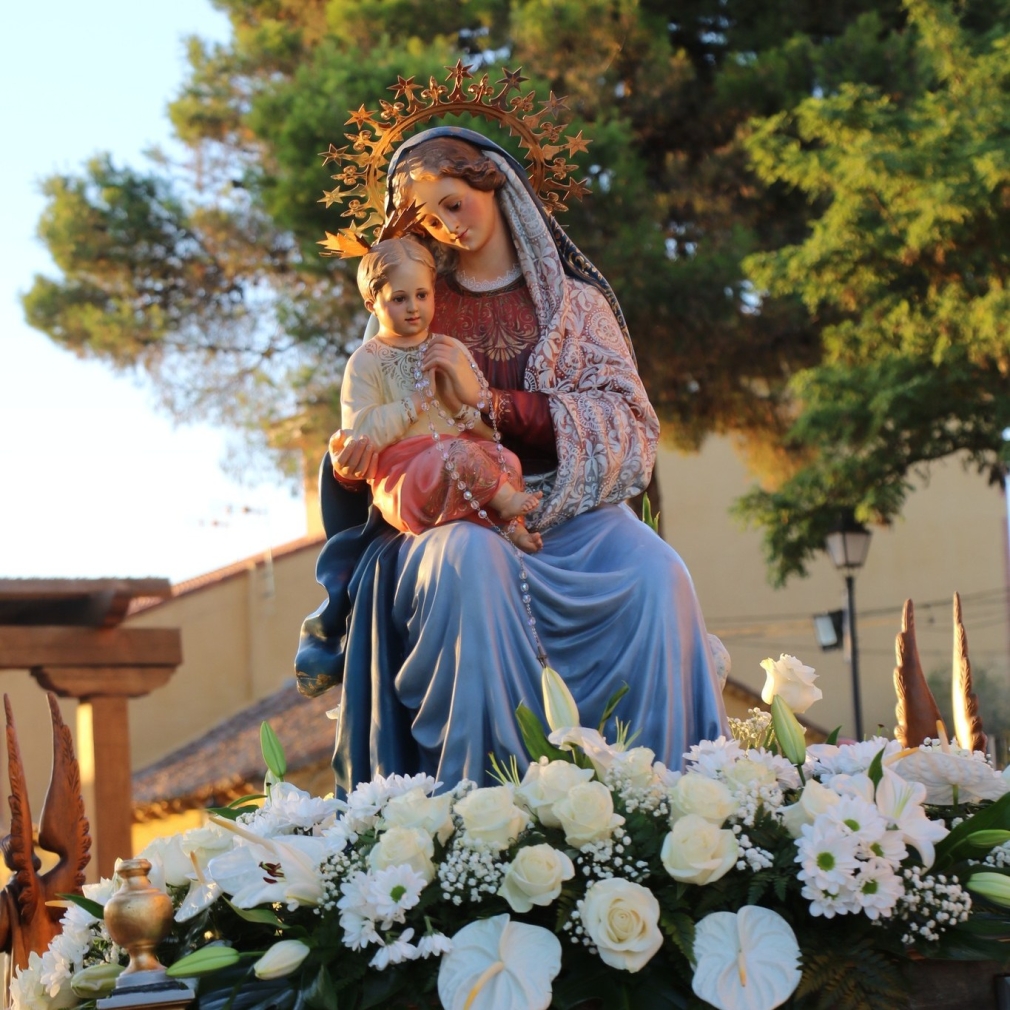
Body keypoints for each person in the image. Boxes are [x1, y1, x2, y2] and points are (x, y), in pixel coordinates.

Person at [296, 126, 727, 794]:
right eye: (427, 217)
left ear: (492, 182)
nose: (446, 226)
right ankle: (491, 815)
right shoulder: (411, 314)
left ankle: (662, 804)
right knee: (472, 564)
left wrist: (492, 402)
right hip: (455, 518)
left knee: (657, 573)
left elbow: (631, 427)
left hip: (574, 509)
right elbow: (372, 431)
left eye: (454, 202)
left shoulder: (573, 306)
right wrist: (361, 449)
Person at [343, 236, 542, 553]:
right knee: (457, 455)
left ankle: (512, 529)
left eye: (422, 295)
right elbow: (361, 432)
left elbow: (478, 428)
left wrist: (456, 404)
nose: (413, 307)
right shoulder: (366, 361)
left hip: (457, 453)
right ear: (372, 305)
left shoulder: (448, 349)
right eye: (399, 298)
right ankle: (506, 503)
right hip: (404, 473)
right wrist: (414, 405)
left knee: (507, 460)